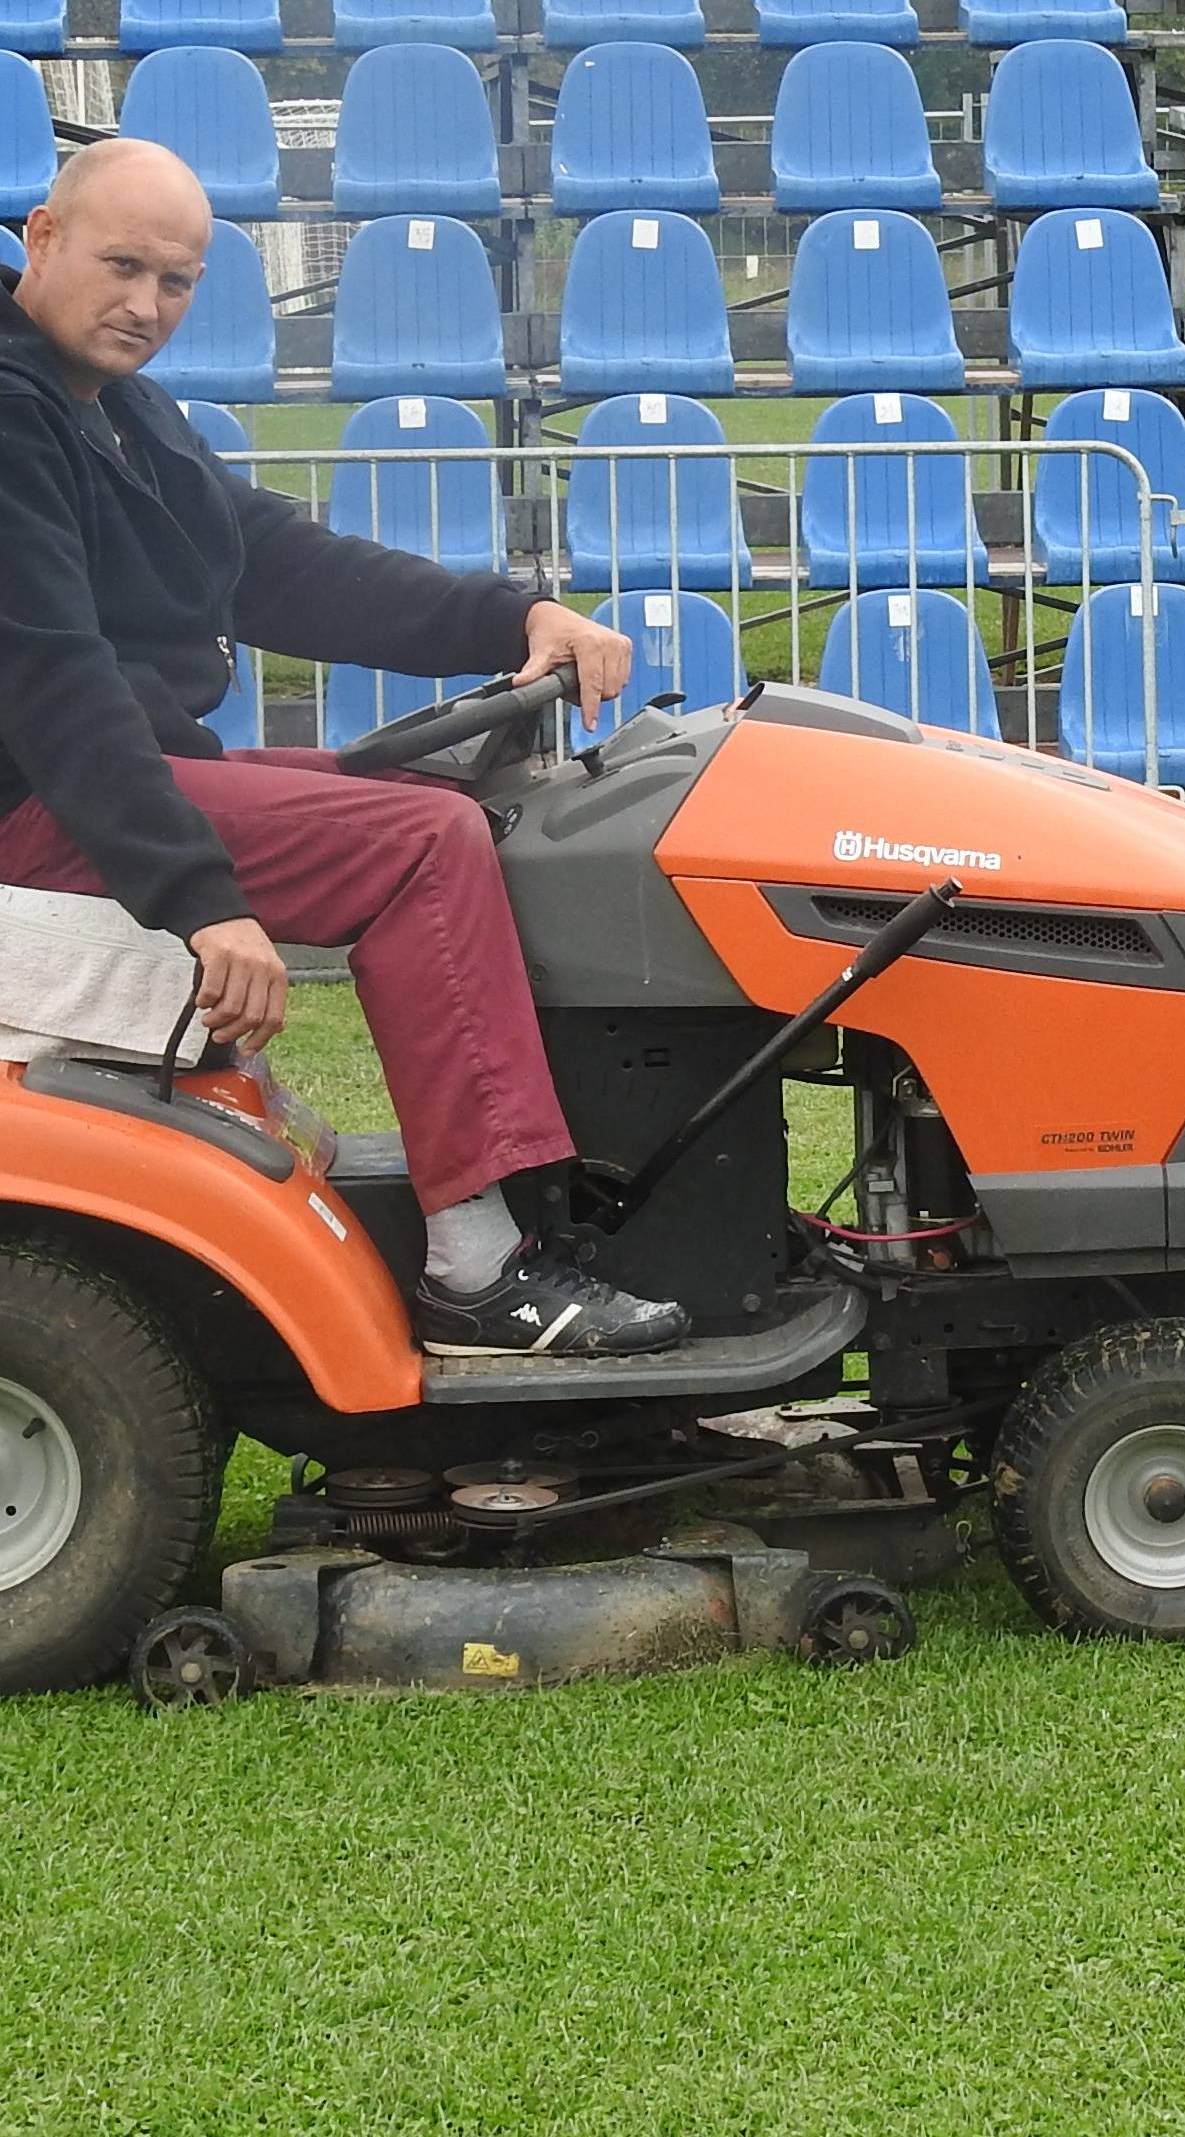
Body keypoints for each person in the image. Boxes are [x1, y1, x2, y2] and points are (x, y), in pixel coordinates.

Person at [0, 140, 689, 1359]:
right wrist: (201, 901)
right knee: (420, 841)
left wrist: (511, 616)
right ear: (41, 238)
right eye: (120, 266)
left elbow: (275, 564)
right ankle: (479, 1268)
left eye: (176, 281)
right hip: (46, 798)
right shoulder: (12, 420)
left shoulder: (113, 411)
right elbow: (53, 682)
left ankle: (534, 1190)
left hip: (114, 773)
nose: (145, 306)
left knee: (456, 804)